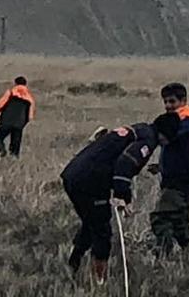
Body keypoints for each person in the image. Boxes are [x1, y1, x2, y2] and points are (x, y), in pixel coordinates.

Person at [60, 113, 182, 284]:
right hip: (90, 181)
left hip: (73, 174)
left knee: (92, 222)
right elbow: (125, 164)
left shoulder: (139, 129)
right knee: (102, 232)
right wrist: (122, 195)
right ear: (167, 135)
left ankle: (73, 263)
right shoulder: (148, 141)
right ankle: (99, 282)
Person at [149, 83, 189, 256]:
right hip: (182, 177)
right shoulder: (178, 118)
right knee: (179, 220)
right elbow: (178, 149)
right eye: (165, 102)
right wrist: (161, 167)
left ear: (184, 100)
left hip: (180, 180)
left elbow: (171, 136)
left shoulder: (187, 118)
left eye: (172, 101)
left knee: (160, 217)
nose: (168, 106)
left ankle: (163, 254)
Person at [0, 76, 36, 157]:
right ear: (25, 84)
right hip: (19, 124)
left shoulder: (11, 92)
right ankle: (13, 160)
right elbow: (30, 116)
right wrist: (23, 123)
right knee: (15, 147)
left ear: (15, 83)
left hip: (6, 122)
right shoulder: (30, 98)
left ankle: (2, 151)